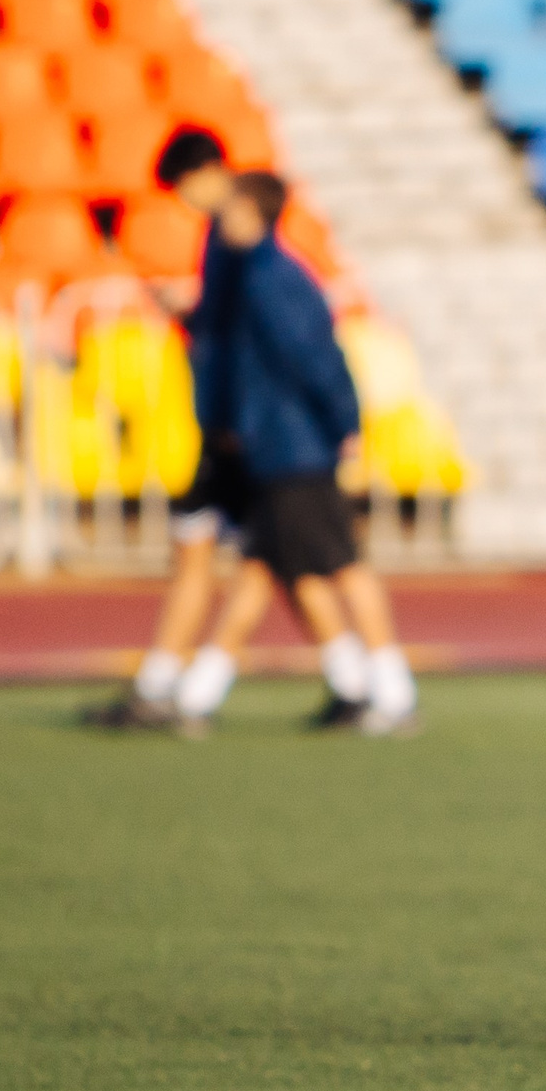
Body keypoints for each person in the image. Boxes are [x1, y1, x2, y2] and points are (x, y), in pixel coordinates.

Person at [164, 172, 419, 736]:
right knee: (270, 566)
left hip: (293, 448)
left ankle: (393, 692)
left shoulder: (271, 277)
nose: (219, 218)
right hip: (271, 446)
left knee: (341, 566)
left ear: (255, 214)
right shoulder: (253, 273)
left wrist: (342, 423)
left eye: (231, 209)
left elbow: (314, 357)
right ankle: (210, 691)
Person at [83, 128, 249, 730]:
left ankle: (370, 684)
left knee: (275, 562)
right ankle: (163, 686)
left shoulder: (242, 239)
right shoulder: (220, 238)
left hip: (249, 427)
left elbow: (262, 332)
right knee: (203, 549)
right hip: (222, 424)